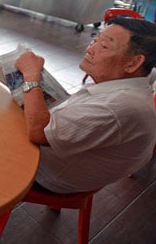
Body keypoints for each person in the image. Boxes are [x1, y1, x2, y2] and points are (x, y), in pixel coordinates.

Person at [15, 17, 156, 194]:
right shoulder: (132, 82)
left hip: (49, 173)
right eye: (95, 40)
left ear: (134, 63)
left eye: (104, 46)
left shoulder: (118, 107)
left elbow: (39, 133)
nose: (90, 49)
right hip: (68, 154)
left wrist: (31, 75)